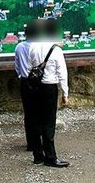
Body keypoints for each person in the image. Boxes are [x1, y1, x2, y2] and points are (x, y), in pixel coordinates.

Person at [27, 17, 70, 168]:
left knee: (36, 121)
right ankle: (50, 157)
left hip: (35, 87)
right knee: (48, 123)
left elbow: (29, 68)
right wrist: (65, 93)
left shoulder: (33, 47)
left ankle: (38, 155)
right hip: (49, 88)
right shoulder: (56, 51)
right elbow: (62, 74)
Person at [14, 21, 38, 152]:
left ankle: (30, 143)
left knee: (28, 114)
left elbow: (17, 66)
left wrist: (21, 75)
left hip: (24, 81)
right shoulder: (39, 47)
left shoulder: (19, 47)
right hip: (37, 82)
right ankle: (38, 142)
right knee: (39, 112)